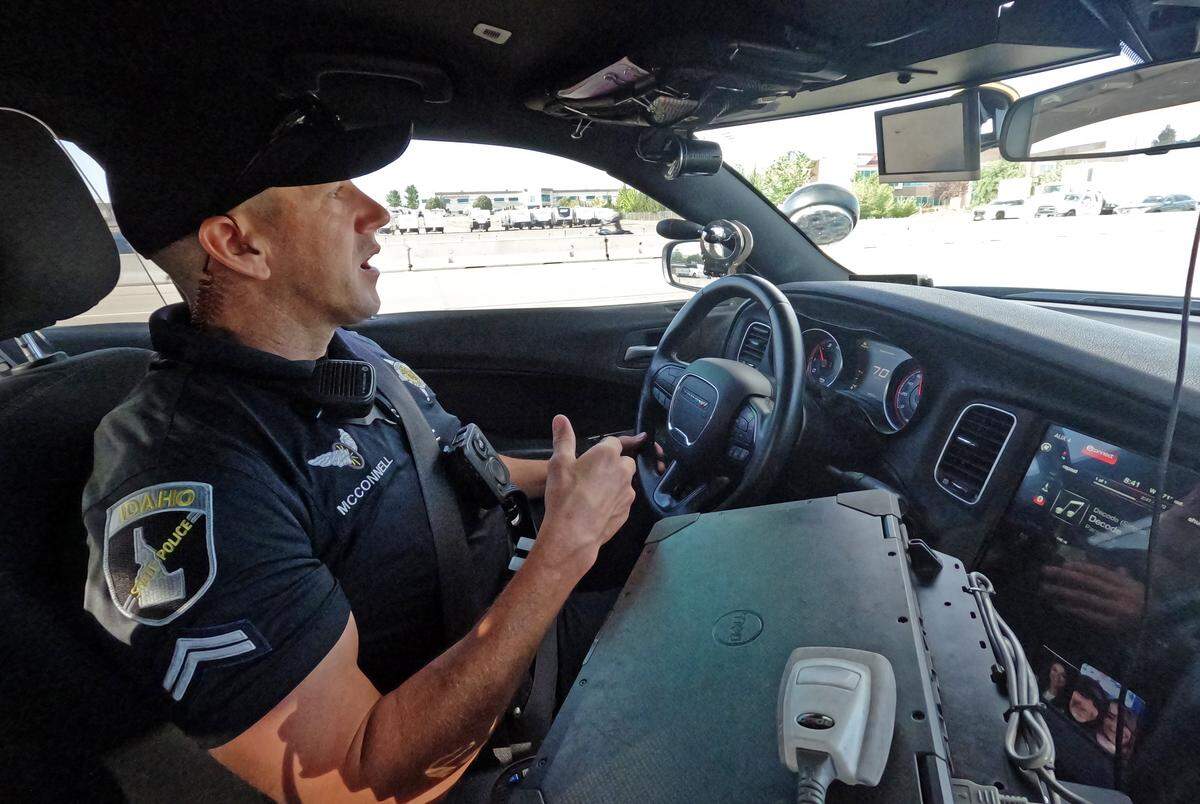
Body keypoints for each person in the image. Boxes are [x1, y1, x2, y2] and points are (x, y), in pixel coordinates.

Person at [81, 83, 660, 801]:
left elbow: (443, 469)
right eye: (333, 193)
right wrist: (564, 552)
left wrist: (560, 482)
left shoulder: (346, 358)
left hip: (513, 633)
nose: (379, 213)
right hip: (488, 746)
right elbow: (362, 779)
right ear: (239, 244)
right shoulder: (188, 488)